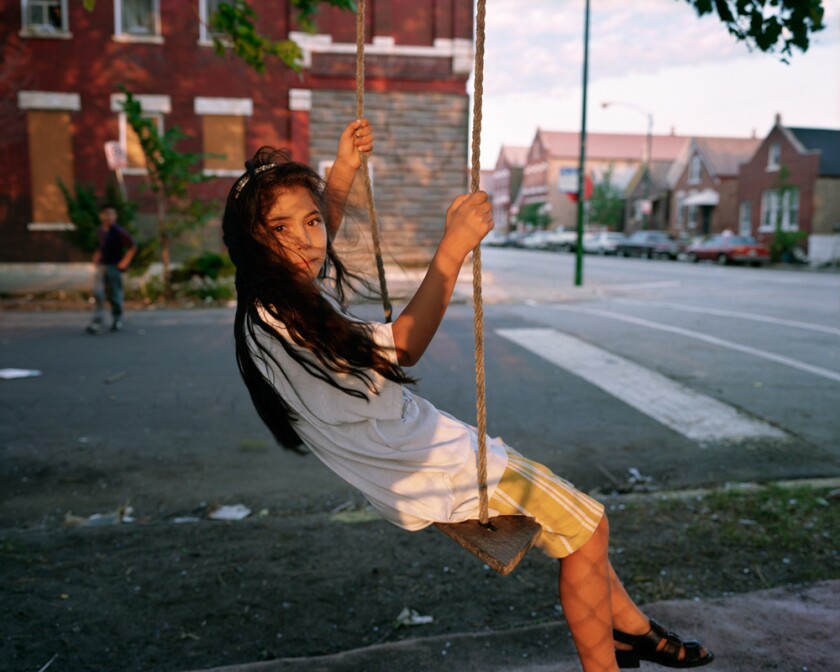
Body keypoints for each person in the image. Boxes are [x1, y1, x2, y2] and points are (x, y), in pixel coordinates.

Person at [221, 119, 714, 672]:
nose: (306, 239)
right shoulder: (290, 323)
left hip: (412, 451)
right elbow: (404, 346)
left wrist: (343, 171)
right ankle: (609, 660)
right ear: (251, 240)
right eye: (279, 227)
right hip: (432, 465)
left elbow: (311, 237)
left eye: (311, 220)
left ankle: (633, 630)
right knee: (590, 531)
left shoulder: (265, 299)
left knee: (572, 522)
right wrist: (452, 248)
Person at [86, 203, 136, 334]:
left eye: (112, 214)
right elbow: (100, 247)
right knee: (98, 293)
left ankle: (117, 319)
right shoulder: (100, 231)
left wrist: (125, 262)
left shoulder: (119, 231)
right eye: (107, 214)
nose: (110, 217)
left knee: (115, 294)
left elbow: (132, 246)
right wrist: (96, 256)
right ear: (102, 215)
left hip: (114, 266)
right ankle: (97, 321)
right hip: (101, 266)